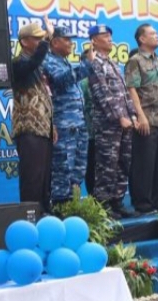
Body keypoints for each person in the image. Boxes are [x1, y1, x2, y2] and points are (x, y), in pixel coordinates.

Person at [87, 24, 138, 218]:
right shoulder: (94, 63)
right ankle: (104, 205)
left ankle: (117, 201)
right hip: (108, 124)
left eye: (110, 35)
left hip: (125, 123)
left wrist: (132, 115)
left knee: (123, 163)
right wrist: (119, 117)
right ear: (94, 40)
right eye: (105, 35)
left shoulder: (113, 63)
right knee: (107, 163)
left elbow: (125, 93)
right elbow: (101, 92)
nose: (110, 38)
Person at [42, 26, 93, 208]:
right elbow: (61, 80)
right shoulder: (48, 61)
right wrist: (86, 64)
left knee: (78, 170)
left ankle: (73, 206)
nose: (71, 43)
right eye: (67, 39)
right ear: (55, 42)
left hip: (78, 124)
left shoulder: (64, 61)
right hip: (63, 126)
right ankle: (61, 209)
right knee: (63, 169)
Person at [125, 24, 158, 214]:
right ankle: (143, 204)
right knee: (145, 164)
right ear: (142, 39)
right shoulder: (135, 61)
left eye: (157, 33)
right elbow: (132, 90)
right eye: (152, 33)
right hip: (147, 118)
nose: (157, 36)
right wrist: (140, 115)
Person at [11, 16, 55, 214]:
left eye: (41, 38)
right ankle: (30, 215)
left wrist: (52, 126)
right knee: (32, 177)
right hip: (28, 128)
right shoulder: (17, 64)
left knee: (45, 177)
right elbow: (33, 62)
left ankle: (44, 213)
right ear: (24, 42)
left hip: (44, 129)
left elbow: (46, 97)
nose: (40, 42)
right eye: (37, 38)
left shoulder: (39, 67)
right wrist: (47, 41)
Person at [79, 48, 96, 196]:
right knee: (91, 166)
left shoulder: (102, 78)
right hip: (89, 132)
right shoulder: (83, 82)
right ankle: (93, 198)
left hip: (103, 131)